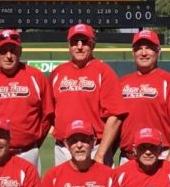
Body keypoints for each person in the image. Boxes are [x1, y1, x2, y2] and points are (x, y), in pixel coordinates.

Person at [0, 28, 53, 171]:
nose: (8, 55)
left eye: (13, 50)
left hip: (27, 152)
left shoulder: (37, 78)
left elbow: (47, 115)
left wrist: (34, 140)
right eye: (3, 50)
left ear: (20, 51)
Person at [50, 23, 124, 165]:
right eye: (74, 42)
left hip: (95, 148)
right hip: (63, 148)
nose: (79, 47)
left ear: (93, 44)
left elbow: (115, 117)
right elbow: (50, 113)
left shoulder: (104, 72)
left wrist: (101, 154)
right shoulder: (58, 73)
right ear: (68, 45)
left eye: (84, 42)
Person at [118, 29, 170, 165]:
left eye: (149, 48)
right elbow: (114, 124)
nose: (144, 53)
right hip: (128, 159)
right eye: (139, 48)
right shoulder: (121, 83)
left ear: (158, 52)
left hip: (160, 158)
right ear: (133, 53)